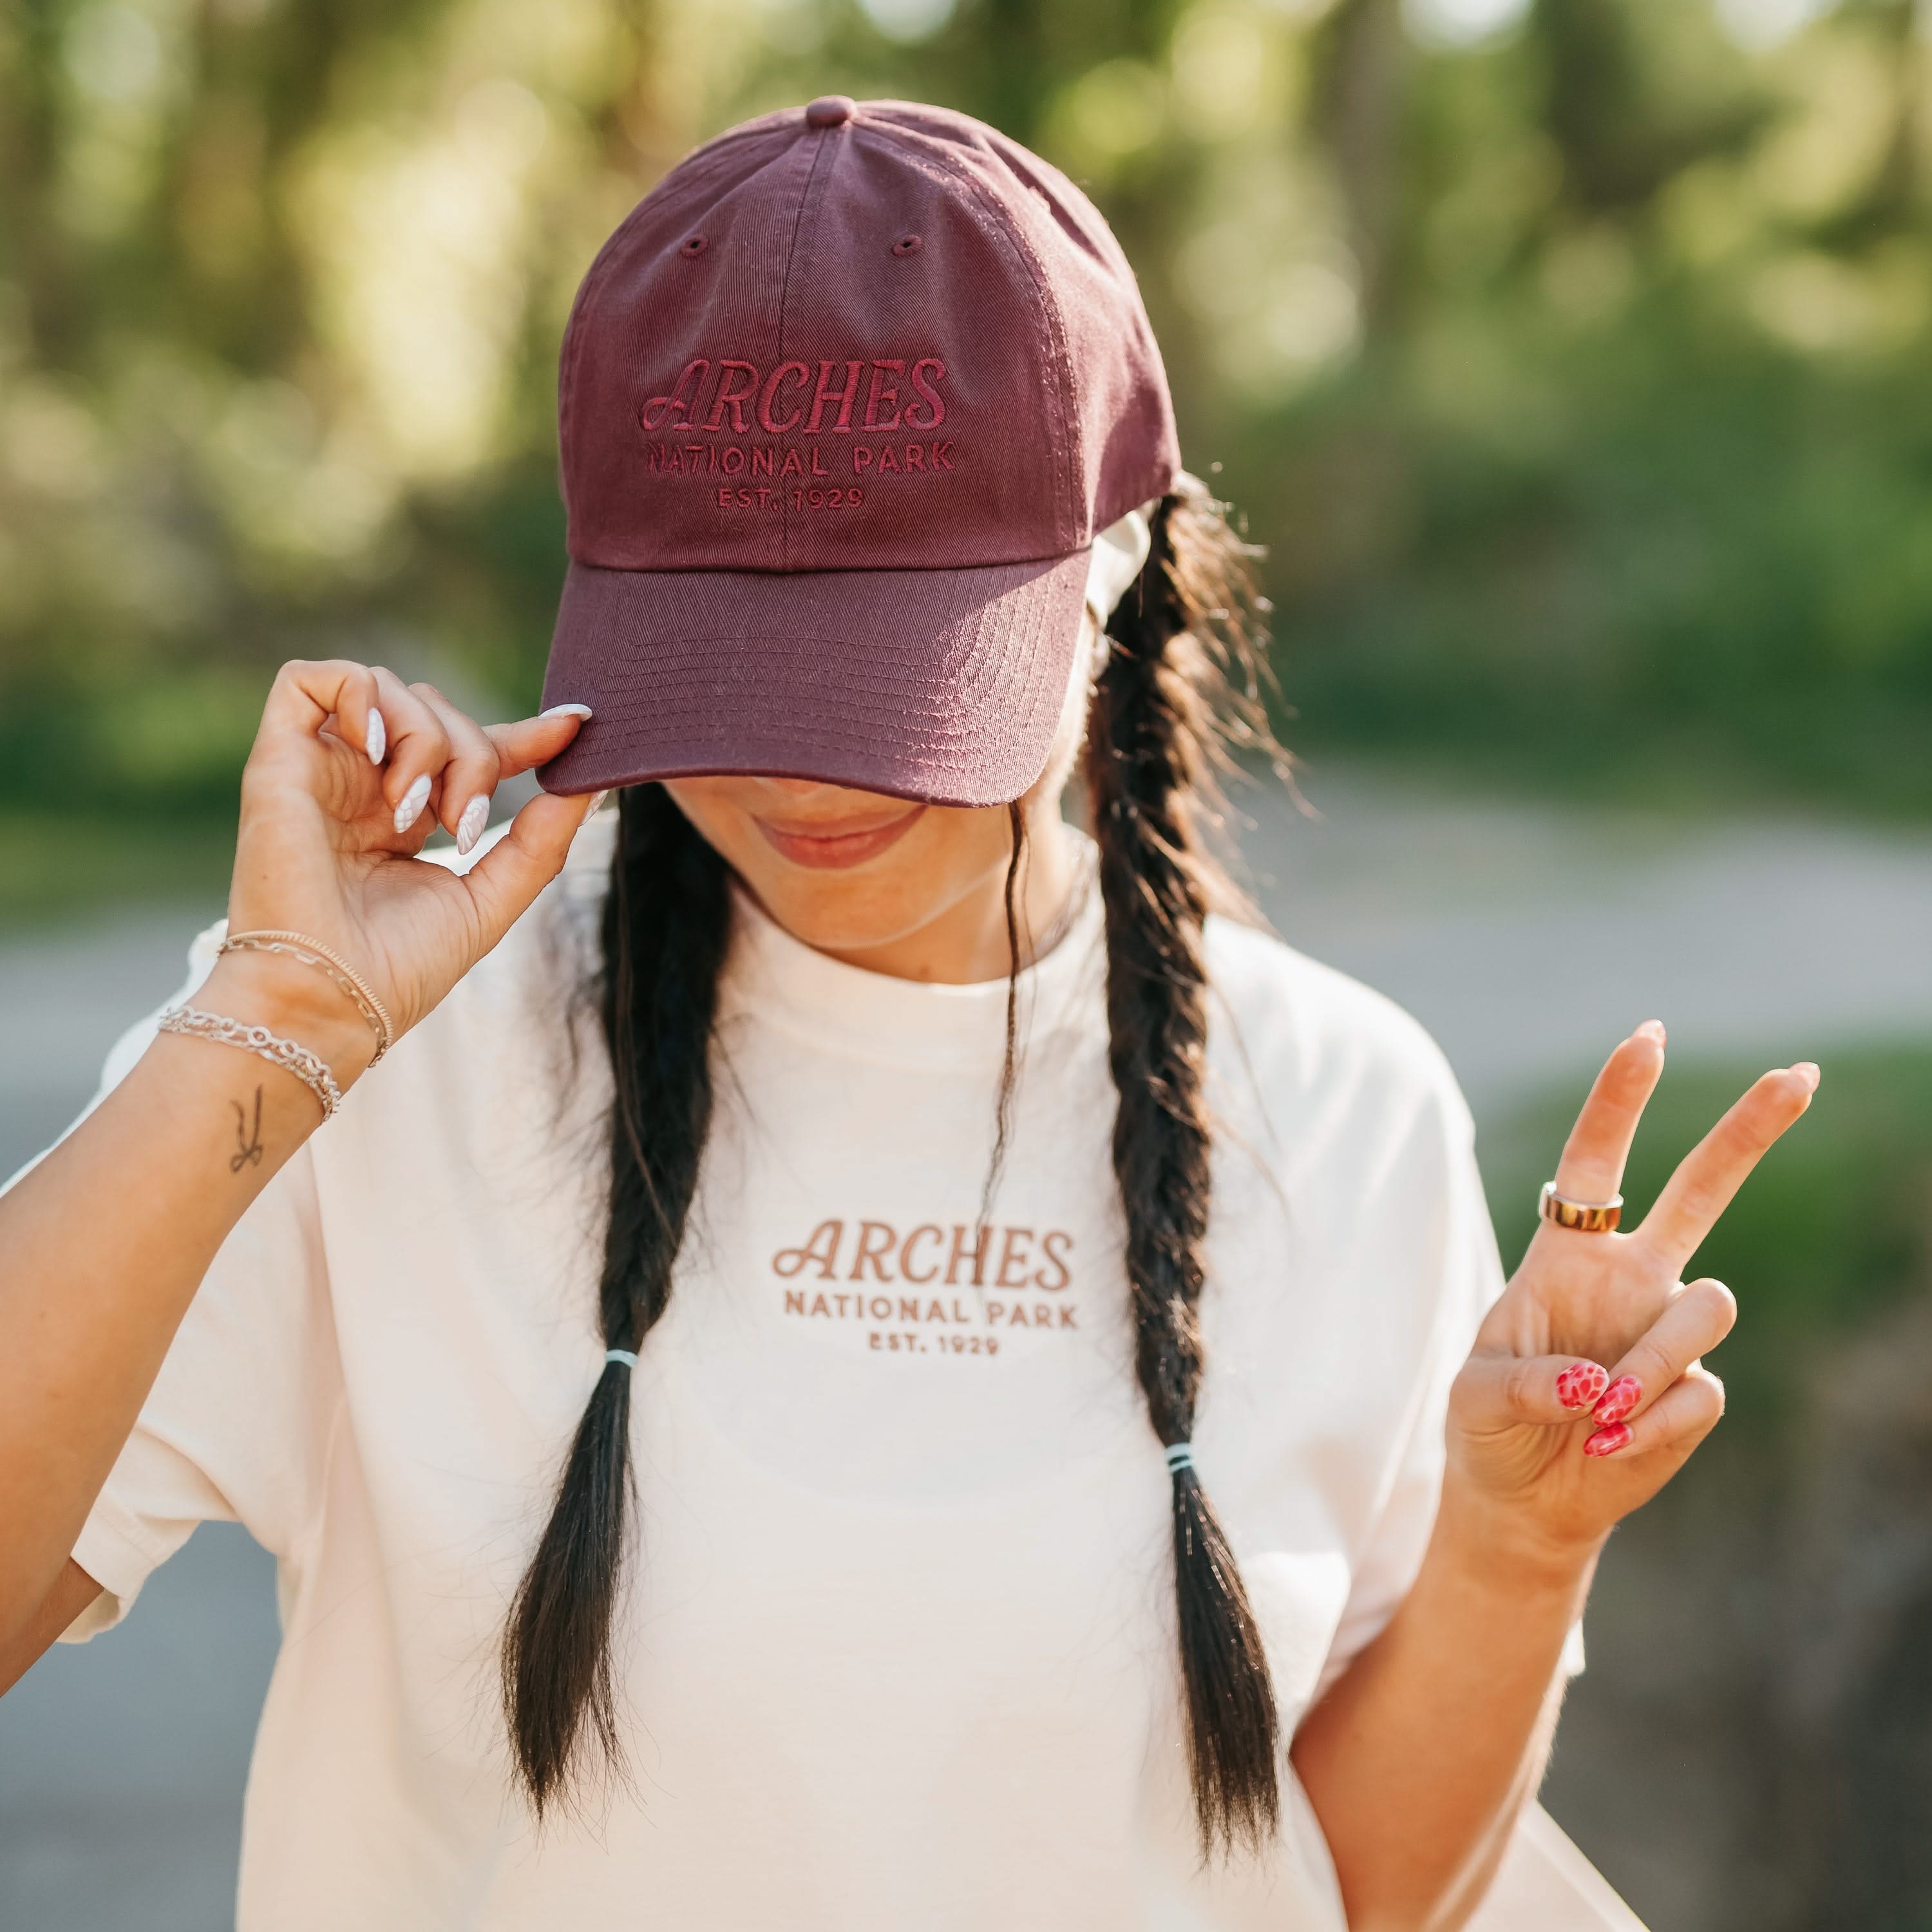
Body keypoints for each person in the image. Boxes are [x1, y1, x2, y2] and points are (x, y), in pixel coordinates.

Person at [0, 99, 1814, 1931]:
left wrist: (1518, 1549)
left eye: (888, 663)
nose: (799, 765)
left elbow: (1344, 1900)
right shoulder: (396, 1062)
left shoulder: (1343, 1108)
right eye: (729, 655)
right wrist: (272, 1023)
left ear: (1114, 563)